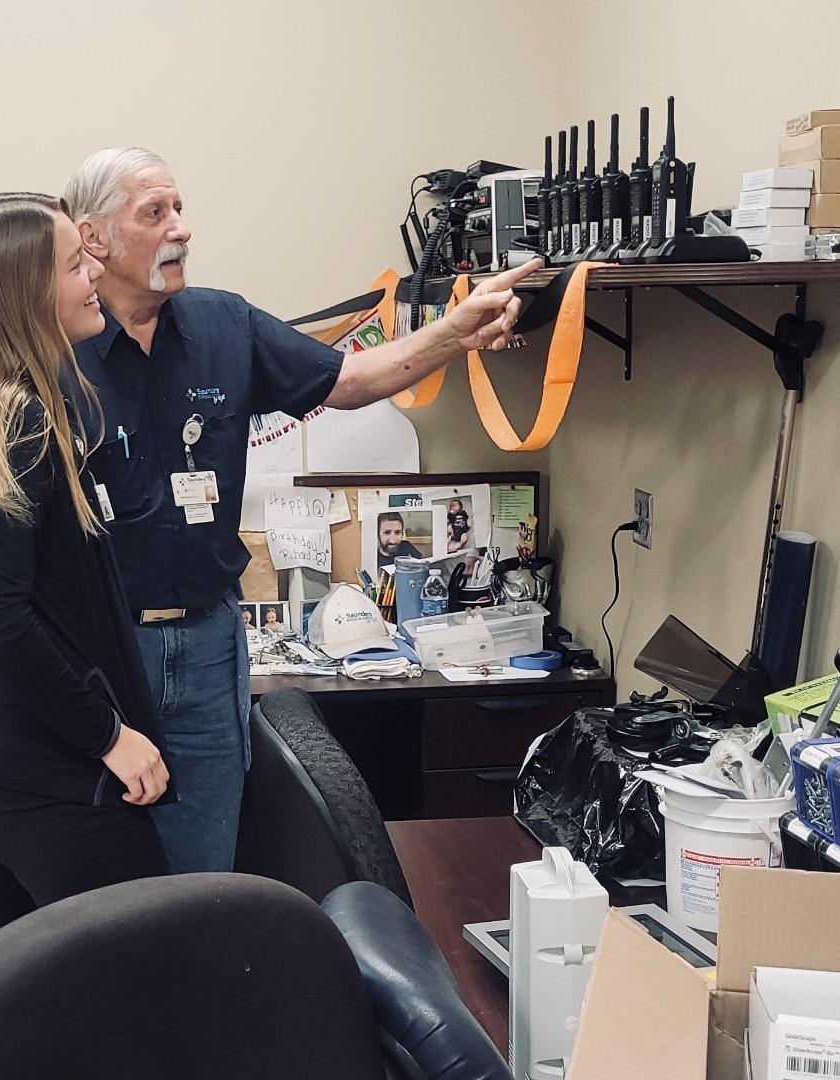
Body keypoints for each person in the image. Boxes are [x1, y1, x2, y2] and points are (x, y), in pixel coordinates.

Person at [62, 146, 539, 874]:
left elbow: (348, 381)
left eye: (180, 209)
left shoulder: (225, 326)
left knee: (203, 869)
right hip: (104, 649)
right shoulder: (56, 349)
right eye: (154, 214)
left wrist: (454, 330)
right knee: (98, 876)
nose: (180, 229)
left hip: (210, 642)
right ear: (92, 237)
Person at [0, 192, 171, 935]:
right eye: (73, 263)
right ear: (25, 293)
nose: (95, 273)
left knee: (4, 997)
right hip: (32, 763)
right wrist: (109, 735)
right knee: (145, 968)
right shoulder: (13, 422)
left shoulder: (14, 406)